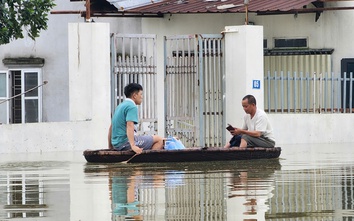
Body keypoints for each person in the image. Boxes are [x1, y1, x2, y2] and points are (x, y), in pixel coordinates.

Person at [109, 83, 164, 154]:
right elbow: (130, 125)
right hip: (125, 143)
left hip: (116, 144)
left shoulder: (120, 106)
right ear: (134, 95)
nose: (142, 97)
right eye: (141, 94)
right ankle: (149, 162)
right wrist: (133, 145)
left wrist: (110, 146)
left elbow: (111, 127)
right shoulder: (132, 106)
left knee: (153, 138)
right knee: (159, 139)